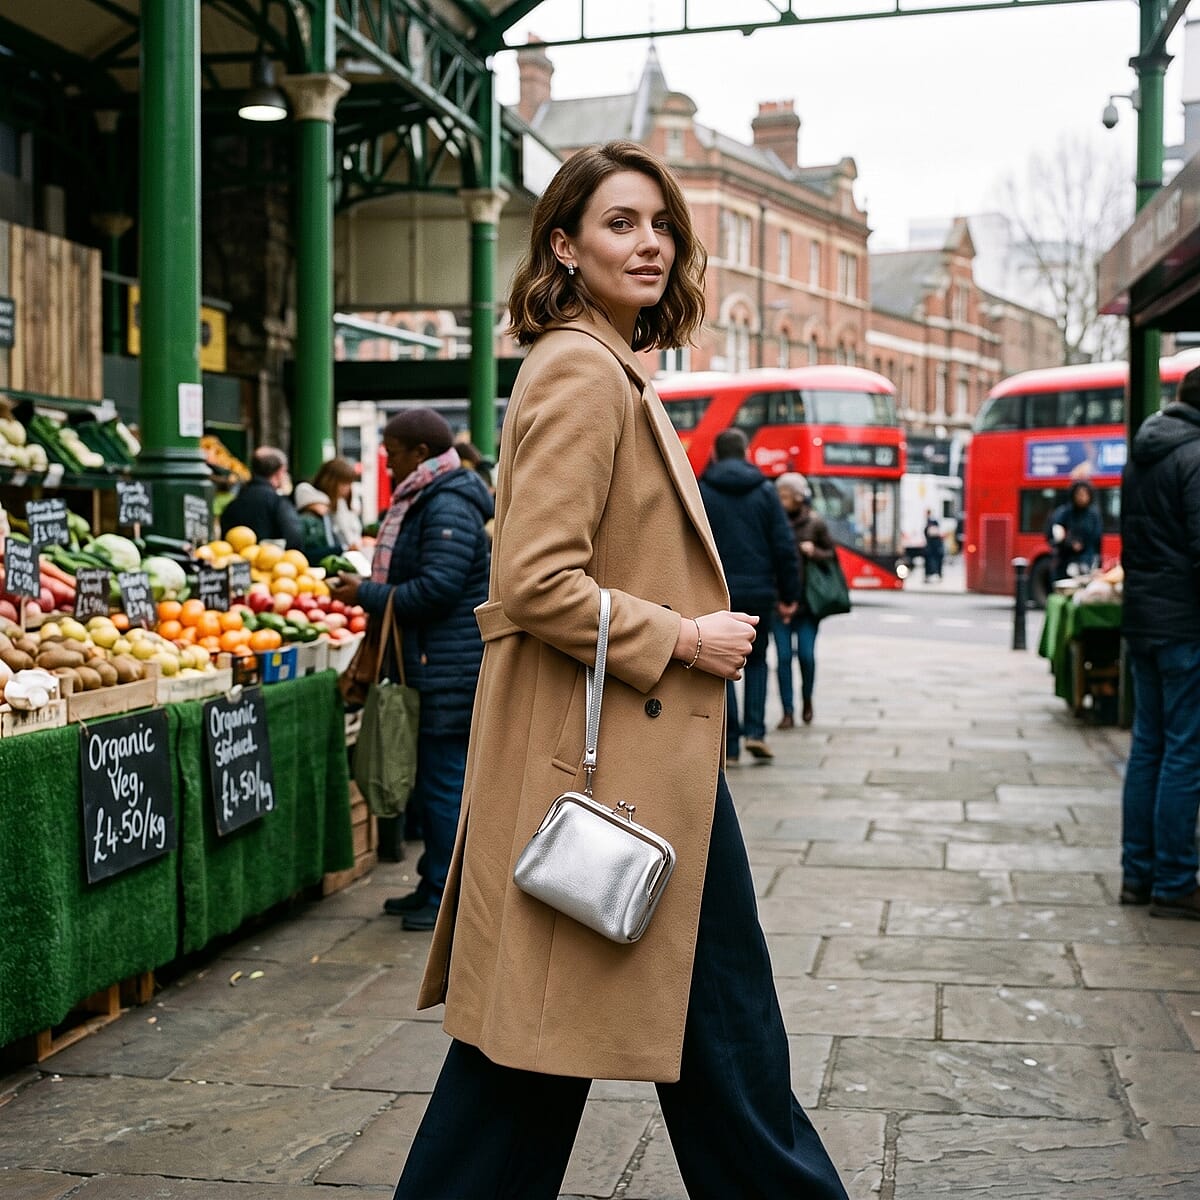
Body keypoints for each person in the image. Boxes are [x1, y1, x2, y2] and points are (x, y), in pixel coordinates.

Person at [392, 141, 847, 1200]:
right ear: (564, 244)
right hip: (612, 757)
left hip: (630, 757)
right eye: (620, 223)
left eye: (661, 225)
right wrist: (683, 638)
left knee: (585, 1037)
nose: (651, 244)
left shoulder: (612, 367)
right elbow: (536, 580)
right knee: (683, 1028)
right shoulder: (581, 371)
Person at [327, 408, 492, 932]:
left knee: (443, 785)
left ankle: (444, 895)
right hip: (434, 662)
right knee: (436, 783)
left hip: (445, 668)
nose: (388, 464)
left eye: (393, 453)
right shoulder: (431, 497)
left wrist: (365, 593)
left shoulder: (446, 503)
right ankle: (433, 881)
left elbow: (437, 589)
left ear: (421, 453)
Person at [1118, 364, 1200, 920]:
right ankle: (1174, 881)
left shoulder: (1144, 452)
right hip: (1184, 626)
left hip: (1144, 620)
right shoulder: (1195, 456)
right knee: (1184, 751)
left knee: (1148, 746)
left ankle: (1138, 874)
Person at [698, 427, 800, 761]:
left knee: (721, 663)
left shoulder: (702, 490)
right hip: (759, 589)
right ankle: (756, 732)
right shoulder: (766, 491)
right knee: (756, 660)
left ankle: (730, 743)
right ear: (745, 453)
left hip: (718, 591)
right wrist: (789, 595)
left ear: (716, 454)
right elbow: (784, 545)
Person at [773, 472, 836, 728]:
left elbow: (831, 554)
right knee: (783, 658)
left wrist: (814, 551)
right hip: (778, 604)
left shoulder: (815, 523)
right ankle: (787, 711)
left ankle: (807, 699)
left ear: (799, 497)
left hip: (808, 604)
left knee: (807, 656)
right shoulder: (773, 522)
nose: (781, 500)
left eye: (785, 496)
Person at [218, 446, 304, 549]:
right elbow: (294, 538)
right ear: (281, 471)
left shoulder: (233, 504)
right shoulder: (278, 503)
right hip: (272, 557)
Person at [1045, 480, 1102, 580]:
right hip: (1064, 561)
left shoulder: (1093, 515)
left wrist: (1098, 563)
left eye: (1085, 494)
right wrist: (1069, 543)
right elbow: (1053, 534)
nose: (1082, 497)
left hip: (1087, 562)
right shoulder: (1064, 513)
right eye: (1079, 494)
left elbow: (1097, 540)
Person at [313, 456, 363, 550]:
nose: (348, 488)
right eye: (344, 483)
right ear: (330, 481)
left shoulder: (342, 503)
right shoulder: (317, 500)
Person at [292, 481, 342, 564]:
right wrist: (339, 549)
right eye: (323, 504)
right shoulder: (307, 521)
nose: (327, 508)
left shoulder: (322, 520)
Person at [922, 508, 945, 580]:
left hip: (934, 546)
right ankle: (931, 574)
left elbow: (933, 533)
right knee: (930, 561)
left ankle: (935, 574)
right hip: (931, 545)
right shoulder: (928, 522)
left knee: (934, 561)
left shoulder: (932, 522)